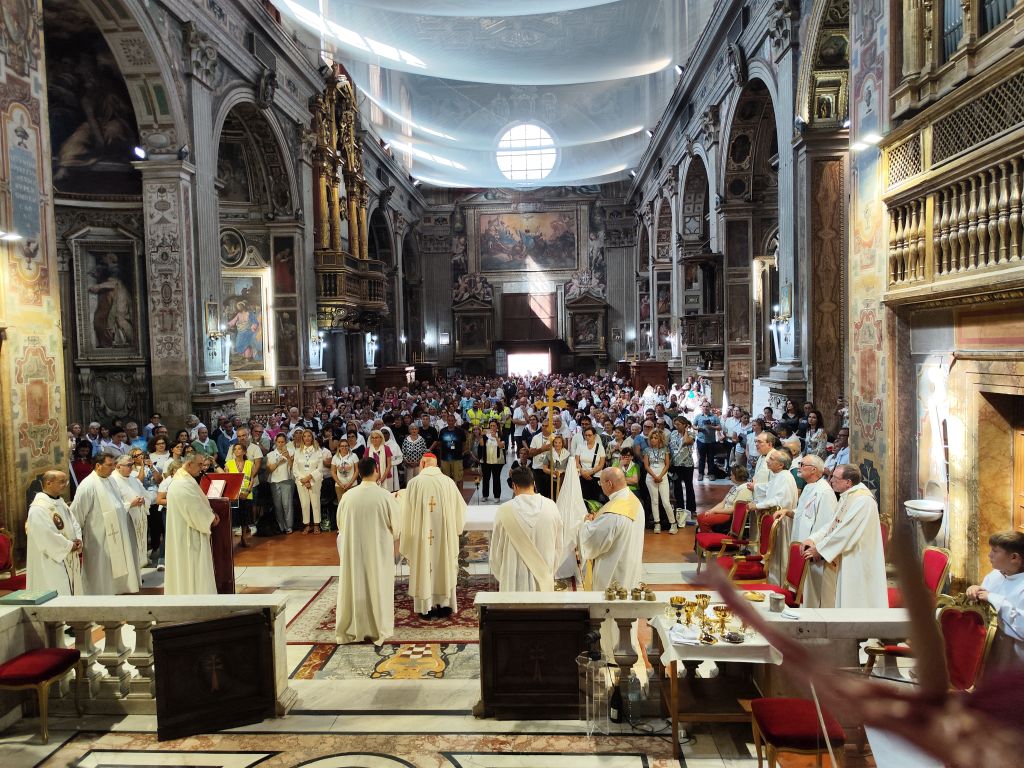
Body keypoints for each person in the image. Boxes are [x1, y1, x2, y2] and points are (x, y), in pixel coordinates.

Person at [803, 464, 887, 608]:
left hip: (856, 558)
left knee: (853, 601)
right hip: (844, 554)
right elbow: (832, 524)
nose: (831, 481)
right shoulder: (847, 496)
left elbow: (844, 532)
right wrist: (813, 539)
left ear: (848, 482)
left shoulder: (863, 500)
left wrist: (820, 549)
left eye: (835, 478)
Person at [335, 457, 400, 644]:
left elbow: (340, 524)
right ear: (376, 470)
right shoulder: (385, 496)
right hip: (378, 551)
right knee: (377, 584)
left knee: (356, 585)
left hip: (354, 550)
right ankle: (377, 627)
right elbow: (397, 528)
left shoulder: (348, 496)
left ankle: (355, 627)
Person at [399, 453, 467, 618]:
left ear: (422, 464)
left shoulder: (414, 483)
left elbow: (406, 514)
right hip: (444, 538)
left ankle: (425, 607)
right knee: (444, 564)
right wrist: (454, 529)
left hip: (422, 538)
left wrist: (408, 536)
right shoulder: (448, 482)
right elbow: (461, 509)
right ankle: (444, 605)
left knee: (424, 563)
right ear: (436, 465)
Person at [70, 452, 140, 595]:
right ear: (98, 465)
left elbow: (118, 504)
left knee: (115, 569)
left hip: (116, 534)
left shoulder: (111, 480)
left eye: (114, 465)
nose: (113, 468)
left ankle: (116, 592)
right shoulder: (87, 485)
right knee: (100, 570)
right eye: (109, 465)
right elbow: (76, 514)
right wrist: (77, 537)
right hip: (98, 538)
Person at [490, 465, 563, 592]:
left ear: (514, 486)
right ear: (534, 484)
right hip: (543, 581)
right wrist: (547, 573)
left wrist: (504, 577)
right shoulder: (551, 507)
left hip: (513, 581)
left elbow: (495, 554)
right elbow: (559, 547)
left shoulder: (504, 510)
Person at [777, 455, 836, 607]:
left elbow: (827, 524)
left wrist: (816, 545)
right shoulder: (810, 486)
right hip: (802, 544)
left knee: (812, 591)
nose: (799, 467)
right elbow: (803, 512)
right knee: (802, 588)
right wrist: (788, 511)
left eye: (802, 464)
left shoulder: (824, 492)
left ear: (814, 470)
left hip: (812, 550)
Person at [578, 467, 645, 591]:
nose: (600, 486)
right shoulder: (635, 501)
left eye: (601, 483)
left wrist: (587, 522)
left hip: (613, 576)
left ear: (609, 484)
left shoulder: (613, 514)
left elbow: (592, 541)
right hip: (630, 568)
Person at [966, 531, 1024, 668]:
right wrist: (974, 591)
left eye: (995, 551)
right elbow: (982, 600)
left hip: (1014, 660)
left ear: (1014, 557)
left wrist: (993, 599)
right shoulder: (995, 575)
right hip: (986, 648)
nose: (989, 555)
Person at [164, 453, 219, 595]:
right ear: (189, 464)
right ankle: (194, 597)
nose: (202, 468)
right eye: (199, 465)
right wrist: (211, 518)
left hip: (186, 530)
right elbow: (195, 510)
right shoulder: (182, 484)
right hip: (188, 534)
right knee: (192, 568)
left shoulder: (184, 480)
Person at [26, 471, 83, 595]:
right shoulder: (38, 509)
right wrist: (69, 545)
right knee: (57, 589)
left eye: (66, 481)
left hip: (68, 554)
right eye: (62, 482)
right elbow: (46, 536)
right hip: (51, 559)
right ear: (48, 483)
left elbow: (74, 523)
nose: (65, 485)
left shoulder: (61, 503)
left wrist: (78, 539)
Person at [753, 449, 799, 584]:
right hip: (775, 518)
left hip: (781, 521)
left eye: (772, 459)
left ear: (781, 465)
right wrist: (755, 487)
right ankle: (772, 580)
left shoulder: (785, 477)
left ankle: (778, 583)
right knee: (774, 553)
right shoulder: (779, 475)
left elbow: (779, 500)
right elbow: (769, 488)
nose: (768, 460)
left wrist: (757, 505)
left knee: (779, 553)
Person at [111, 455, 151, 569]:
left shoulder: (134, 479)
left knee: (138, 547)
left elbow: (146, 495)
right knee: (128, 549)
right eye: (129, 465)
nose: (131, 468)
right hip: (125, 519)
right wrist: (130, 504)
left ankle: (138, 569)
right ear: (118, 466)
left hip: (138, 517)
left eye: (132, 465)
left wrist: (143, 500)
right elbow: (112, 504)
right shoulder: (112, 481)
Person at [696, 464, 753, 533]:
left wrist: (715, 511)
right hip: (724, 511)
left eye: (732, 475)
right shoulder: (735, 486)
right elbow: (723, 502)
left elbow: (733, 510)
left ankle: (710, 537)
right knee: (700, 517)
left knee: (704, 520)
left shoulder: (745, 489)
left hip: (730, 515)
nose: (730, 477)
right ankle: (707, 535)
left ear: (737, 476)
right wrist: (710, 511)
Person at [644, 429, 675, 534]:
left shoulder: (665, 449)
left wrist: (660, 476)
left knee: (666, 502)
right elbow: (646, 466)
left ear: (660, 439)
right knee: (654, 501)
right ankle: (657, 523)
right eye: (652, 438)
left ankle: (673, 523)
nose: (653, 440)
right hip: (651, 477)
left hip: (663, 477)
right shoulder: (647, 450)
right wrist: (654, 476)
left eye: (655, 438)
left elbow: (667, 464)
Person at [225, 443, 256, 546]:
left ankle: (244, 538)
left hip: (246, 494)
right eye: (235, 449)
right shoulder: (228, 464)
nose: (237, 450)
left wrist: (247, 492)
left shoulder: (249, 463)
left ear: (244, 451)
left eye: (239, 449)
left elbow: (252, 479)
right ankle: (230, 540)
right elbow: (227, 479)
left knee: (245, 517)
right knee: (233, 518)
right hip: (234, 495)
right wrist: (235, 493)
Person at [293, 430, 324, 533]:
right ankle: (307, 524)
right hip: (301, 482)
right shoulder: (297, 451)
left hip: (315, 481)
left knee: (315, 503)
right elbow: (295, 468)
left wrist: (309, 478)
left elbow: (320, 468)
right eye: (305, 436)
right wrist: (303, 479)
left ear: (312, 438)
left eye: (309, 436)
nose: (307, 438)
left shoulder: (318, 451)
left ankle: (316, 525)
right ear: (302, 438)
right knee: (304, 504)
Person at [669, 417, 696, 525]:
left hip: (687, 464)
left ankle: (691, 509)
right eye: (675, 424)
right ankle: (680, 508)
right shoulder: (673, 434)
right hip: (676, 464)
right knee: (677, 486)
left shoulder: (691, 434)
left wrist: (686, 431)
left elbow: (686, 441)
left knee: (689, 486)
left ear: (685, 424)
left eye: (679, 424)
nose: (676, 426)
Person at [575, 426, 606, 503]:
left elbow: (601, 464)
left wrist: (590, 472)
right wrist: (582, 472)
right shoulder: (580, 446)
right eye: (586, 435)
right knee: (584, 499)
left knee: (595, 500)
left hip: (596, 476)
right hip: (582, 475)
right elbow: (577, 462)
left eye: (589, 435)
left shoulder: (600, 447)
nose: (587, 437)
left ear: (594, 436)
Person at [477, 420, 506, 503]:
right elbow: (481, 444)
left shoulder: (501, 435)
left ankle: (497, 496)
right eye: (491, 426)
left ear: (497, 427)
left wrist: (496, 437)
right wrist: (481, 436)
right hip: (486, 460)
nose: (492, 427)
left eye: (494, 426)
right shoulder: (486, 435)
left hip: (497, 461)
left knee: (496, 478)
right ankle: (485, 495)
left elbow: (501, 446)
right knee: (486, 478)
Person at [693, 402, 721, 481]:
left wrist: (711, 427)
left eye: (707, 406)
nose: (705, 408)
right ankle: (701, 474)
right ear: (702, 407)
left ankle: (711, 474)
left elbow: (719, 427)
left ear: (710, 407)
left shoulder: (714, 417)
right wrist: (698, 428)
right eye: (704, 406)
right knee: (701, 458)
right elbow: (693, 425)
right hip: (701, 440)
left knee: (711, 458)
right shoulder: (698, 416)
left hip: (711, 441)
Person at [437, 414, 467, 485]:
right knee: (445, 480)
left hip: (457, 458)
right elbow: (440, 444)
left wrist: (462, 453)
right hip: (445, 458)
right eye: (449, 421)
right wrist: (440, 458)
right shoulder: (443, 431)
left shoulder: (460, 431)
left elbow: (464, 443)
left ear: (455, 421)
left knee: (458, 479)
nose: (451, 422)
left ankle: (459, 492)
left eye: (452, 421)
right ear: (447, 421)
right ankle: (447, 492)